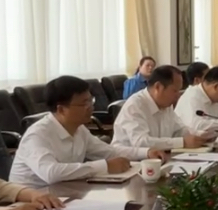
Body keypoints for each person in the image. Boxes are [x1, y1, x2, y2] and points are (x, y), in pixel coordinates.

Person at [10, 76, 145, 187]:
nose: (91, 107)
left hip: (64, 194)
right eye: (83, 103)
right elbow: (51, 173)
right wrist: (105, 166)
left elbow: (110, 152)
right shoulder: (37, 135)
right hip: (29, 201)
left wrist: (147, 152)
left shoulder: (79, 129)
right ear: (61, 109)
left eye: (91, 101)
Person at [114, 65, 210, 152]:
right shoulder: (135, 105)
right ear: (158, 87)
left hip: (160, 158)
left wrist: (201, 135)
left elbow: (180, 130)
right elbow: (141, 142)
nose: (178, 96)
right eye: (174, 91)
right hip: (129, 161)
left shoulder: (166, 104)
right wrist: (182, 142)